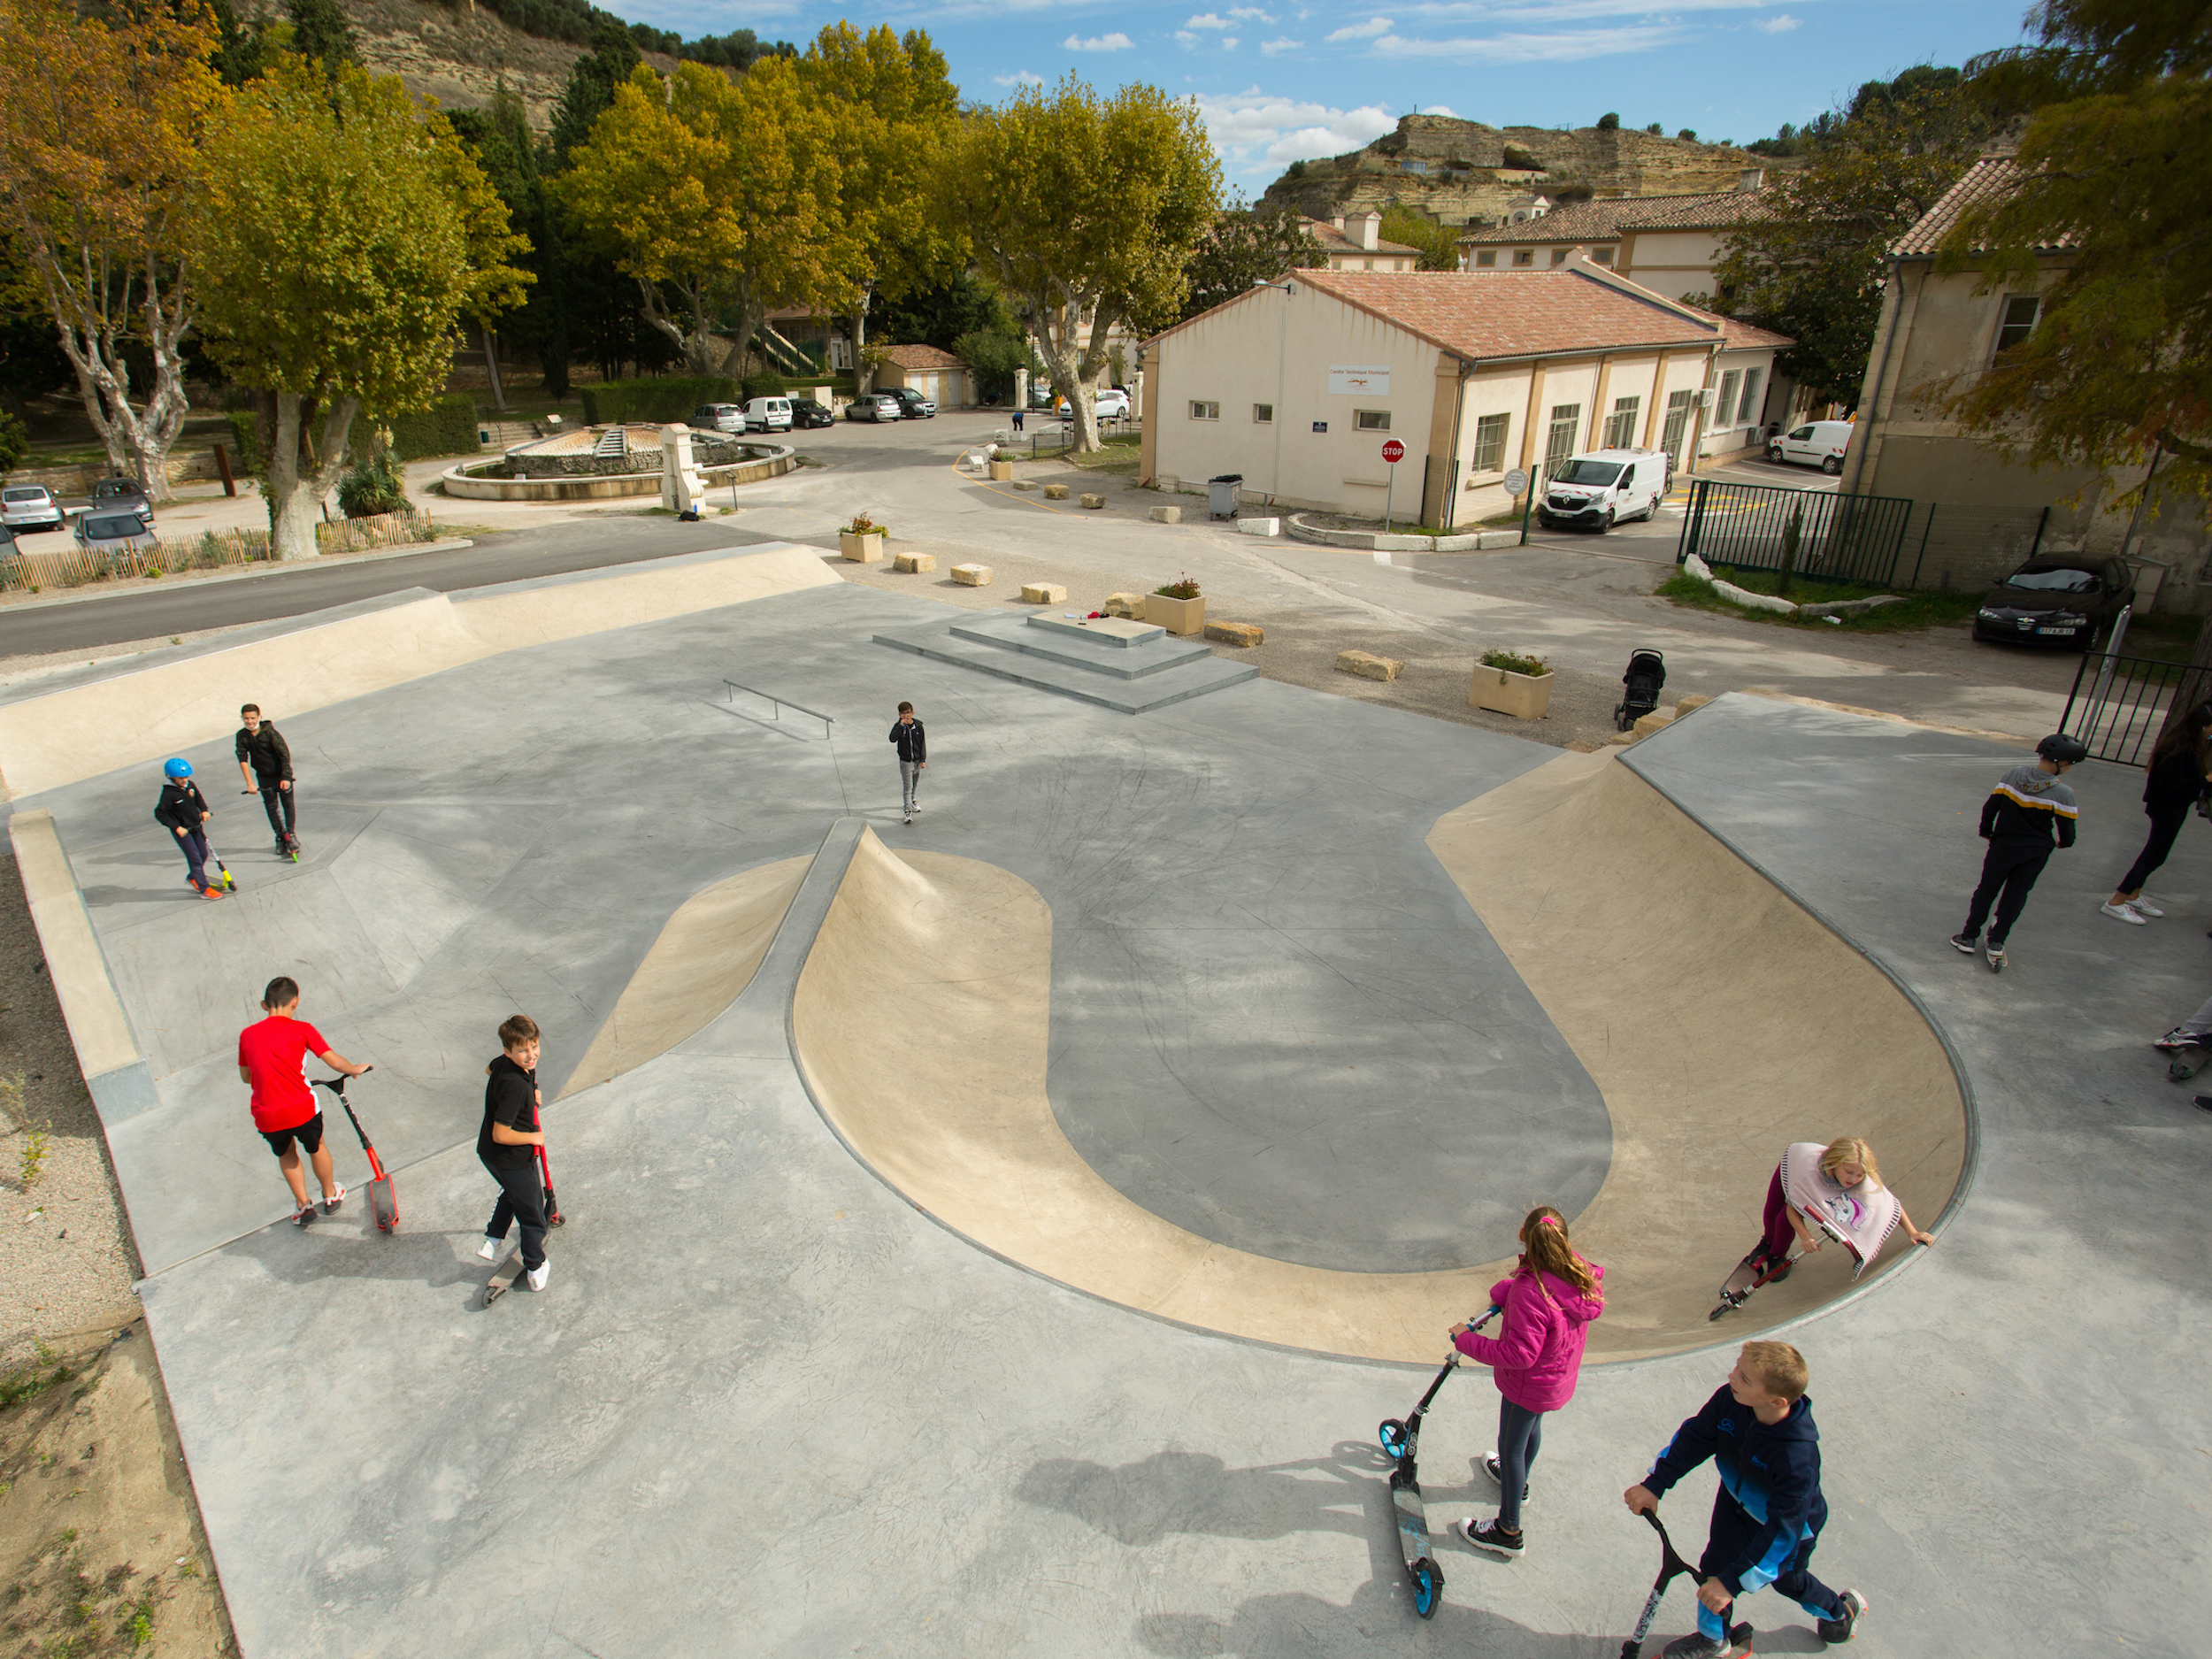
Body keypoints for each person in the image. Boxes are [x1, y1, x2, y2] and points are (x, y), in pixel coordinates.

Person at [1624, 1341, 1868, 1656]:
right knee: (1713, 1567)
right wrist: (1656, 1483)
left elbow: (1783, 1532)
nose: (1732, 1376)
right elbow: (1696, 1437)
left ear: (1776, 1400)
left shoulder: (1796, 1458)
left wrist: (1733, 1584)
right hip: (1735, 1503)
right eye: (1738, 1367)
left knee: (1788, 1580)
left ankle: (1839, 1612)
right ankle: (1713, 1640)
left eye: (1745, 1378)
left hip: (1785, 1527)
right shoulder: (1732, 1399)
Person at [1449, 1205, 1604, 1560]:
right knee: (1529, 1433)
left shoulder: (1530, 1291)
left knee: (1511, 1445)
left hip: (1527, 1383)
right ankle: (1515, 1485)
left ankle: (1508, 1530)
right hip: (1555, 1380)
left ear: (1523, 1235)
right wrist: (1508, 1289)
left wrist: (1465, 1341)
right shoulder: (1574, 1269)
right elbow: (1533, 1291)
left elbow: (1519, 1354)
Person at [237, 976, 371, 1226]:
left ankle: (303, 1206)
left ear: (264, 1005)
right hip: (302, 1107)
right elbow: (334, 1061)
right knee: (316, 1146)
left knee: (286, 1154)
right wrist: (354, 1069)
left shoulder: (247, 1035)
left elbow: (246, 1077)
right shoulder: (303, 1029)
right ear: (295, 1003)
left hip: (267, 1114)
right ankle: (330, 1196)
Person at [1950, 733, 2085, 971]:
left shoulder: (2014, 775)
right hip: (2036, 852)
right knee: (2016, 895)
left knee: (1987, 889)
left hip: (2003, 845)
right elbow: (2068, 835)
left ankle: (1969, 936)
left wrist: (1986, 830)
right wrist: (2061, 843)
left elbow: (1991, 806)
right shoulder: (2063, 793)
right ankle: (1997, 941)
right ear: (2062, 762)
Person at [1735, 1137, 1932, 1289]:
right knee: (1775, 1215)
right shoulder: (1808, 1176)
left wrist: (1912, 1232)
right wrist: (1806, 1237)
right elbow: (1792, 1209)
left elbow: (1888, 1206)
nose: (1854, 1179)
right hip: (1792, 1164)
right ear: (1834, 1164)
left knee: (1782, 1221)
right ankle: (1767, 1244)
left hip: (1814, 1175)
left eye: (1859, 1174)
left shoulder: (1863, 1178)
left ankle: (1776, 1255)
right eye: (1848, 1172)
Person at [2102, 703, 2209, 925]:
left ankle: (2133, 895)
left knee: (2154, 853)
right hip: (2167, 807)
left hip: (2170, 806)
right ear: (2203, 726)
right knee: (2155, 856)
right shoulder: (2181, 748)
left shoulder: (2182, 743)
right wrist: (2204, 781)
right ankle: (2116, 901)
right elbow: (2172, 784)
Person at [476, 1013, 550, 1293]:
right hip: (513, 1158)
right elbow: (501, 1133)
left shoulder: (505, 1064)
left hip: (489, 1153)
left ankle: (493, 1238)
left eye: (534, 1047)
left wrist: (535, 1089)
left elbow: (488, 1069)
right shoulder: (516, 1087)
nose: (531, 1056)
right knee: (533, 1215)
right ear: (509, 1051)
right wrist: (534, 1137)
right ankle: (535, 1266)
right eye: (523, 1050)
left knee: (513, 1191)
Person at [154, 758, 224, 900]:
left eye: (187, 777)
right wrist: (176, 827)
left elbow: (198, 798)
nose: (185, 780)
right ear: (171, 777)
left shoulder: (190, 785)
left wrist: (204, 810)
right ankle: (204, 889)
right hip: (183, 831)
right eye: (181, 778)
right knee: (195, 858)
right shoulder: (168, 794)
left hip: (196, 826)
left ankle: (192, 877)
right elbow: (160, 813)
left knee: (203, 854)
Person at [234, 703, 299, 856]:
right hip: (264, 777)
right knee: (271, 808)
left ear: (259, 717)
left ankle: (291, 834)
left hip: (280, 775)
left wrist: (286, 777)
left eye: (252, 718)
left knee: (287, 805)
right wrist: (250, 783)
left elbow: (284, 754)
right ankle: (279, 836)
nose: (249, 721)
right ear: (242, 719)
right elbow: (242, 759)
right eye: (246, 719)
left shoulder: (270, 733)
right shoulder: (242, 735)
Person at [890, 701, 926, 825]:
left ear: (912, 712)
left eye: (908, 712)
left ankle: (912, 800)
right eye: (903, 713)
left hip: (917, 760)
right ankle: (907, 810)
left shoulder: (919, 726)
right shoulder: (899, 727)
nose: (906, 715)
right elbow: (892, 739)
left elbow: (922, 744)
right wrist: (900, 726)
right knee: (907, 786)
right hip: (906, 761)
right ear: (900, 715)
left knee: (915, 783)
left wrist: (923, 760)